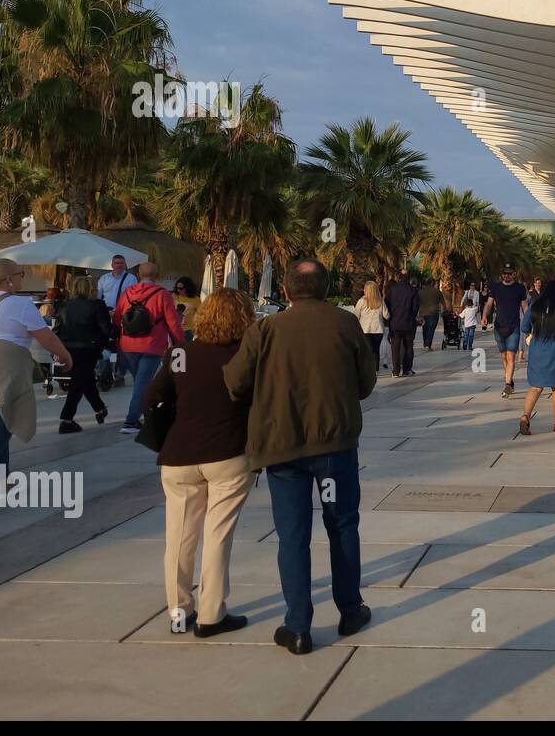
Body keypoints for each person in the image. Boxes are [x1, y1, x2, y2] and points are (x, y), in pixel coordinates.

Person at [223, 259, 377, 655]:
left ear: (287, 292)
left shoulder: (266, 329)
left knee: (292, 536)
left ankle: (297, 626)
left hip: (283, 448)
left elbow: (235, 382)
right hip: (334, 448)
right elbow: (366, 383)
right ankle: (350, 609)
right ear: (325, 289)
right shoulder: (345, 324)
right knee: (342, 525)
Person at [143, 288, 256, 637]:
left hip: (179, 455)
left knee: (178, 538)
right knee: (217, 534)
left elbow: (151, 399)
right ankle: (211, 614)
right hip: (228, 453)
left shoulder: (181, 352)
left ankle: (179, 612)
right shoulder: (246, 354)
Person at [0, 260, 72, 517]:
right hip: (4, 373)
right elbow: (47, 338)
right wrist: (66, 358)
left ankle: (0, 481)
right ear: (9, 279)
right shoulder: (20, 304)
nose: (23, 279)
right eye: (21, 275)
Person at [113, 262, 184, 435]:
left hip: (128, 345)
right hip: (152, 345)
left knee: (141, 382)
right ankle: (131, 421)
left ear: (138, 274)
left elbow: (117, 318)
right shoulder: (162, 295)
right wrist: (180, 343)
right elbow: (173, 322)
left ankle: (146, 412)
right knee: (142, 384)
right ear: (156, 275)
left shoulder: (127, 293)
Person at [517, 279, 555, 435]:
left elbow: (524, 327)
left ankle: (525, 416)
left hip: (537, 349)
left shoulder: (535, 307)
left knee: (535, 387)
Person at [53, 275, 111, 433]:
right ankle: (66, 419)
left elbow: (57, 329)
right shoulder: (97, 305)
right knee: (79, 382)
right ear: (90, 288)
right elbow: (105, 328)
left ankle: (99, 409)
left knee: (84, 380)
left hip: (68, 348)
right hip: (89, 348)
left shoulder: (64, 305)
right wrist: (105, 345)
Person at [483, 264, 528, 398]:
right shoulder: (496, 288)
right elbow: (489, 304)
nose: (507, 276)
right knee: (503, 356)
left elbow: (525, 308)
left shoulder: (519, 289)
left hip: (514, 327)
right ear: (502, 274)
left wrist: (530, 322)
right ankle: (509, 380)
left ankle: (507, 384)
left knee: (511, 356)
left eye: (509, 273)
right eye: (505, 273)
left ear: (514, 274)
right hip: (499, 327)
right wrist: (485, 315)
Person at [97, 254, 138, 381]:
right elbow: (99, 297)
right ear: (112, 265)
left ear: (125, 264)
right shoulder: (104, 279)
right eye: (116, 263)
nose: (119, 265)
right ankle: (105, 373)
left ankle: (120, 374)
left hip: (124, 316)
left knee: (122, 346)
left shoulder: (131, 279)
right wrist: (104, 312)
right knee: (105, 344)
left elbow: (134, 298)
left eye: (121, 263)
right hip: (106, 316)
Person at [384, 270, 417, 378]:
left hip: (395, 323)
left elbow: (387, 304)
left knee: (395, 348)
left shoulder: (392, 290)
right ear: (408, 278)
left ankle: (396, 371)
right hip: (408, 323)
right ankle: (407, 369)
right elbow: (415, 307)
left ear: (399, 277)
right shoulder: (413, 290)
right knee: (408, 347)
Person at [354, 280, 389, 369]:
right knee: (376, 350)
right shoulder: (380, 301)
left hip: (365, 329)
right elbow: (387, 315)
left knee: (368, 350)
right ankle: (376, 368)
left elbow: (356, 315)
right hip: (378, 329)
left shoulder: (361, 301)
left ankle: (368, 368)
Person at [417, 280, 445, 350]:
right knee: (431, 329)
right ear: (432, 283)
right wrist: (444, 310)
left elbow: (416, 303)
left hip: (423, 313)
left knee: (425, 328)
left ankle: (425, 344)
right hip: (433, 312)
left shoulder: (420, 292)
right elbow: (443, 302)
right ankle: (427, 345)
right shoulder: (437, 291)